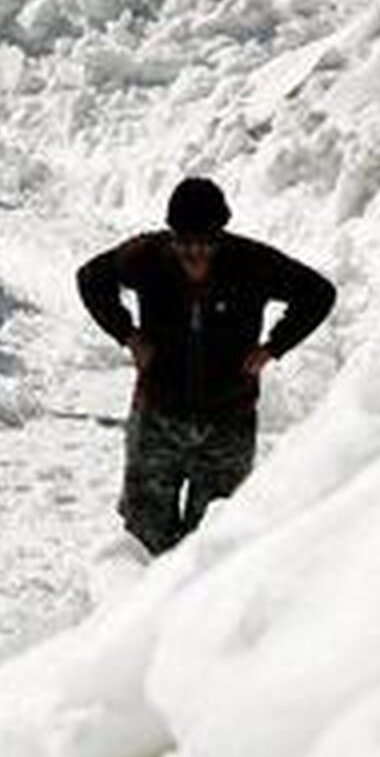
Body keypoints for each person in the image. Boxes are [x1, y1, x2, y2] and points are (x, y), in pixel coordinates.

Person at [77, 177, 336, 555]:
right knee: (144, 537)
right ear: (171, 235)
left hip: (228, 423)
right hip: (157, 418)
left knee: (213, 547)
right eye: (184, 243)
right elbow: (91, 278)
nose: (194, 253)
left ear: (221, 236)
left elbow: (318, 293)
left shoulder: (252, 263)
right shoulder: (148, 256)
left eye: (205, 243)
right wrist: (129, 336)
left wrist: (272, 348)